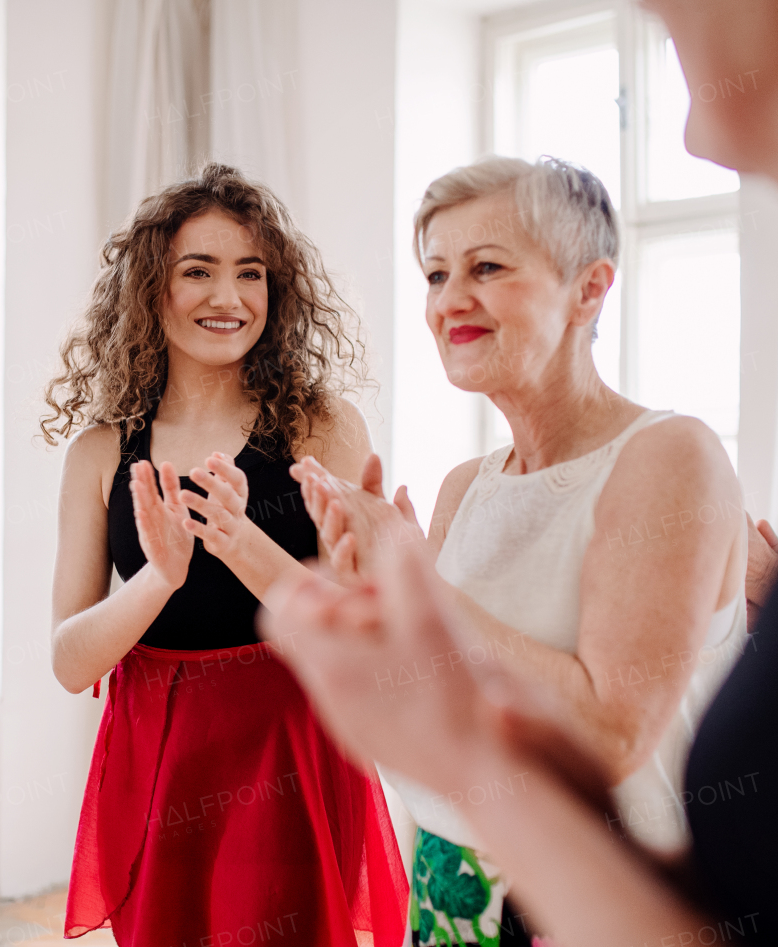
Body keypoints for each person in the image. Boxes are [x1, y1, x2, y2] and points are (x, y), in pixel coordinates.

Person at [262, 0, 778, 940]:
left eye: (488, 266)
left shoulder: (670, 455)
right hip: (453, 881)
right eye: (434, 273)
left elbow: (611, 732)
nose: (451, 300)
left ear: (591, 287)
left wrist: (417, 578)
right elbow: (451, 688)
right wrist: (371, 597)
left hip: (603, 896)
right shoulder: (465, 485)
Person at [43, 164, 408, 945]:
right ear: (151, 291)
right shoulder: (101, 452)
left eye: (250, 273)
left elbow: (364, 629)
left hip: (291, 749)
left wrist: (241, 545)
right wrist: (159, 581)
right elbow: (72, 660)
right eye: (197, 271)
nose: (228, 297)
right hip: (156, 758)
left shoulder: (322, 428)